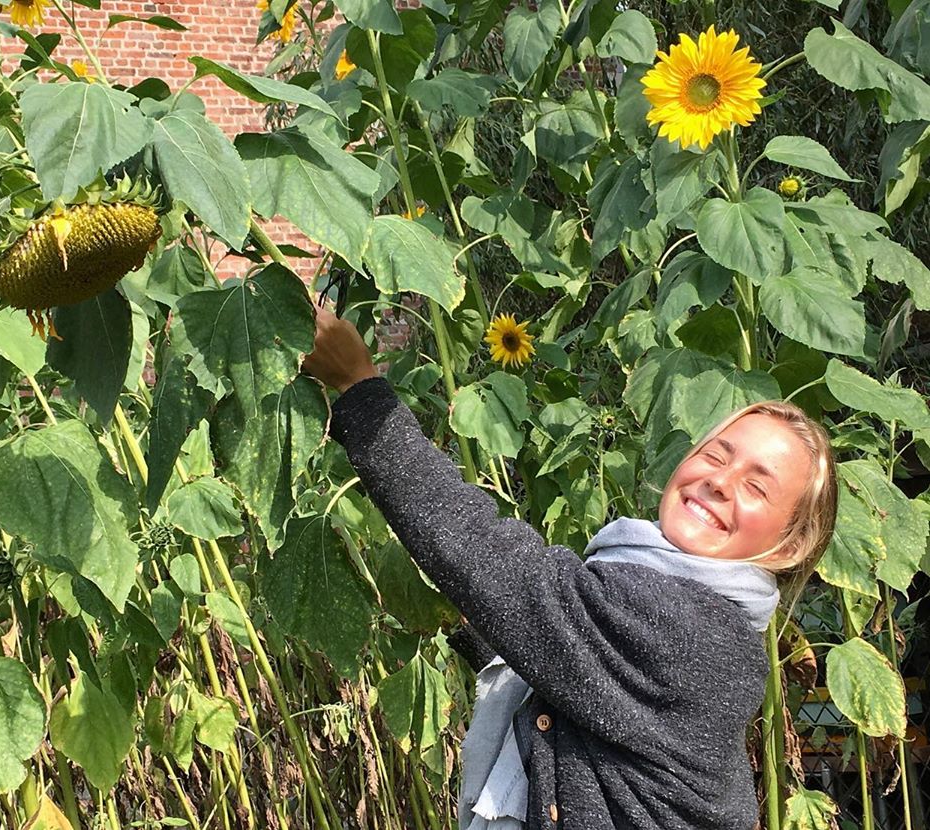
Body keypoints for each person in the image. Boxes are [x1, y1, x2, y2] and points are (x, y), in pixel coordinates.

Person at [301, 302, 838, 830]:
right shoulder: (698, 613)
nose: (720, 480)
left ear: (789, 546)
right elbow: (571, 679)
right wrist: (472, 618)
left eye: (756, 485)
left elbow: (506, 574)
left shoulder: (694, 634)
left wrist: (359, 387)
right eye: (717, 455)